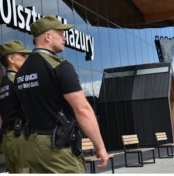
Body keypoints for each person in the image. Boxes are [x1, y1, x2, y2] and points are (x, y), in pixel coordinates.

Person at [15, 15, 109, 173]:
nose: (64, 37)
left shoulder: (21, 73)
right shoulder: (60, 67)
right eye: (60, 33)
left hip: (32, 144)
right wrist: (100, 146)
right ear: (47, 36)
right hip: (56, 147)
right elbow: (82, 109)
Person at [0, 40, 31, 173]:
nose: (26, 58)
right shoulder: (19, 81)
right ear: (11, 58)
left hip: (8, 139)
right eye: (22, 55)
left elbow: (1, 117)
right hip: (22, 138)